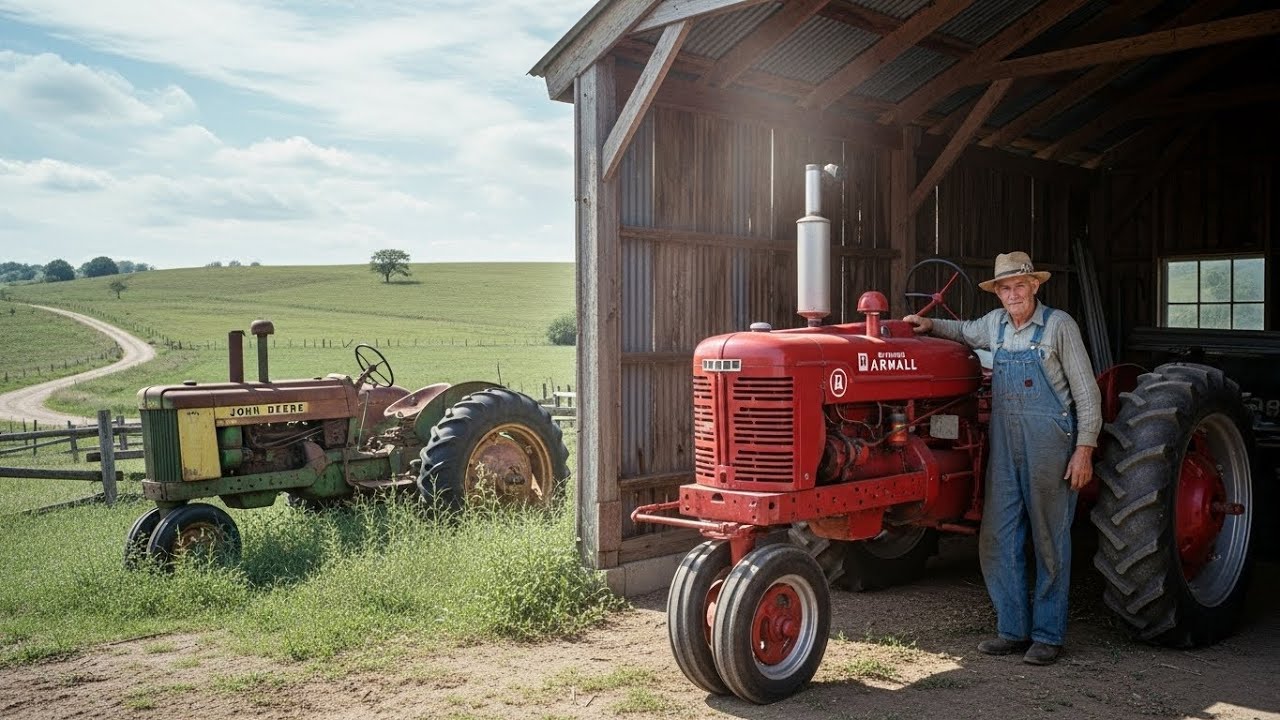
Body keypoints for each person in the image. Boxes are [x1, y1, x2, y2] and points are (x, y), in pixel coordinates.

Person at [903, 251, 1101, 666]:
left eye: (1019, 286)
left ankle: (1047, 634)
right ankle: (1012, 630)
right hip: (1005, 445)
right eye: (1005, 288)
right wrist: (929, 324)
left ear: (1035, 286)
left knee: (1049, 537)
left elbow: (1086, 392)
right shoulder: (994, 325)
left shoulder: (1058, 326)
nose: (1013, 294)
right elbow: (964, 330)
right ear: (998, 293)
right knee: (997, 536)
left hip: (1050, 442)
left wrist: (1084, 450)